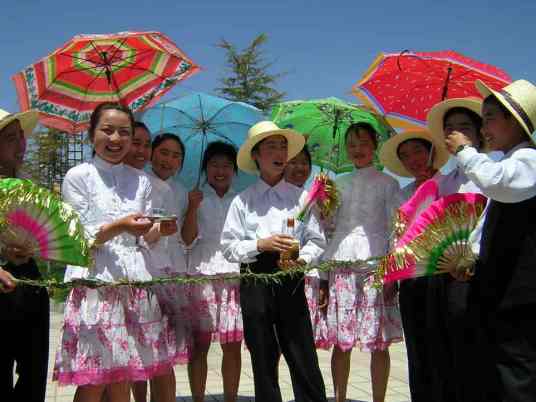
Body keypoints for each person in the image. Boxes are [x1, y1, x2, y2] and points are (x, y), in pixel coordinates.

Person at [54, 103, 179, 402]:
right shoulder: (78, 176)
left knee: (125, 374)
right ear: (91, 134)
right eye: (107, 130)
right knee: (94, 378)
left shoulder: (142, 181)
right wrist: (120, 225)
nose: (116, 139)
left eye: (124, 132)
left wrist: (159, 230)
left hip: (134, 283)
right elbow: (79, 237)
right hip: (96, 281)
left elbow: (145, 238)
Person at [221, 121, 327, 402]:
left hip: (291, 280)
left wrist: (302, 259)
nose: (279, 152)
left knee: (302, 350)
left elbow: (317, 241)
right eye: (271, 146)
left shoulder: (301, 198)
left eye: (283, 146)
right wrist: (260, 244)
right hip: (255, 280)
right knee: (263, 356)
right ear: (256, 155)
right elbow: (228, 247)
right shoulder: (242, 201)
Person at [445, 79, 536, 402]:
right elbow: (486, 228)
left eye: (490, 118)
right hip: (499, 291)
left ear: (515, 121)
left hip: (520, 294)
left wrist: (464, 151)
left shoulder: (529, 162)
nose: (484, 128)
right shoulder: (512, 163)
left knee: (517, 376)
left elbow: (496, 182)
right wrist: (470, 258)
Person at [322, 122, 402, 402]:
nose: (357, 149)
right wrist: (323, 206)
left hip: (376, 264)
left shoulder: (389, 183)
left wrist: (393, 272)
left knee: (379, 340)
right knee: (341, 341)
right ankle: (339, 397)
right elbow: (330, 227)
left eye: (363, 143)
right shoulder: (338, 183)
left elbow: (396, 226)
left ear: (375, 146)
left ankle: (379, 398)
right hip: (342, 262)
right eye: (352, 144)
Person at [425, 97, 491, 402]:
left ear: (479, 133)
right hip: (443, 274)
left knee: (472, 351)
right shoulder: (445, 178)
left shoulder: (490, 170)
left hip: (475, 273)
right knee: (443, 350)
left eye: (464, 127)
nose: (456, 133)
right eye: (449, 128)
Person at [378, 128, 448, 402]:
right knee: (418, 348)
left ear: (432, 152)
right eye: (405, 156)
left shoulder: (451, 183)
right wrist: (391, 277)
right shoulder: (403, 194)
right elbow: (395, 237)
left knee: (445, 345)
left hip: (446, 274)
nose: (413, 159)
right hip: (412, 279)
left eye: (418, 151)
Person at [123, 122, 185, 402]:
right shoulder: (118, 181)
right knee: (128, 356)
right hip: (123, 276)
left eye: (144, 144)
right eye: (136, 142)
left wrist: (160, 231)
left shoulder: (165, 188)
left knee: (160, 356)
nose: (140, 150)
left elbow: (161, 234)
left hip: (159, 274)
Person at [181, 141, 242, 402]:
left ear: (235, 171)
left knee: (233, 345)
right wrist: (192, 207)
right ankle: (198, 398)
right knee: (199, 345)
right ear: (205, 167)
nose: (221, 170)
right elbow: (186, 239)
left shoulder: (241, 201)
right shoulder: (193, 196)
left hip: (233, 277)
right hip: (200, 273)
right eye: (215, 164)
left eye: (227, 165)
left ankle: (230, 398)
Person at [0, 108, 50, 402]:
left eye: (21, 137)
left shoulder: (27, 186)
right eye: (10, 138)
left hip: (29, 281)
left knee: (34, 372)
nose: (21, 144)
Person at [283, 146, 329, 349]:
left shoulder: (314, 200)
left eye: (304, 162)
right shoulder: (272, 198)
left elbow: (320, 241)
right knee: (277, 342)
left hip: (307, 278)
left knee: (304, 343)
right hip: (278, 276)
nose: (299, 167)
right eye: (292, 162)